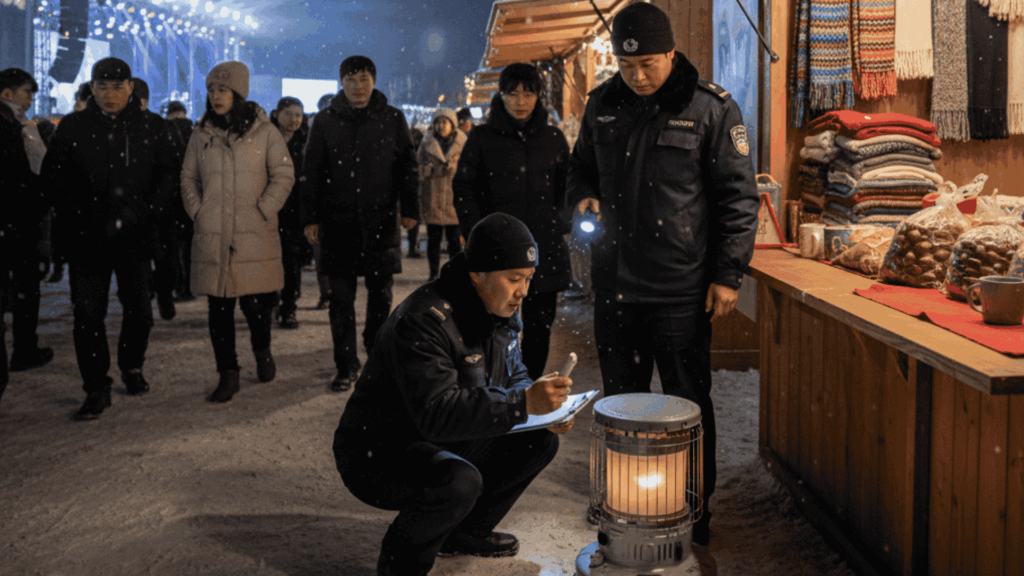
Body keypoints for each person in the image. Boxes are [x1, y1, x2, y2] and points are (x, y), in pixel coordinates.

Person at [565, 3, 759, 545]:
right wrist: (582, 197)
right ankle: (623, 503)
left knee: (687, 404)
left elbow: (738, 199)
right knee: (620, 402)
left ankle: (694, 508)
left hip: (681, 292)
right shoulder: (602, 104)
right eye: (627, 66)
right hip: (615, 287)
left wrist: (728, 274)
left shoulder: (711, 108)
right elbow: (579, 168)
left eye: (647, 64)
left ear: (671, 53)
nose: (637, 76)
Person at [333, 212, 572, 576]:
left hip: (440, 434)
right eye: (514, 279)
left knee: (538, 440)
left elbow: (514, 373)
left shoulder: (500, 307)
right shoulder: (423, 321)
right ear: (477, 273)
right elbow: (437, 414)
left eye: (528, 278)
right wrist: (521, 404)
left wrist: (542, 408)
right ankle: (399, 566)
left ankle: (463, 533)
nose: (523, 291)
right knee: (458, 481)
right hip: (380, 451)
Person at [42, 57, 173, 420]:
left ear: (130, 88)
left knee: (140, 312)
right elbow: (55, 178)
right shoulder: (73, 126)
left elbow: (168, 177)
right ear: (92, 88)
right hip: (88, 239)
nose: (110, 94)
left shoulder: (152, 126)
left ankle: (132, 365)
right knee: (87, 315)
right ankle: (96, 386)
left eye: (117, 87)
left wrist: (143, 212)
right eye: (102, 87)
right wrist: (79, 215)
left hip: (136, 237)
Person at [300, 55, 419, 392]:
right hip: (337, 223)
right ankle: (346, 364)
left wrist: (410, 208)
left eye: (364, 79)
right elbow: (311, 172)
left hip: (380, 221)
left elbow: (407, 167)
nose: (358, 86)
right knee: (340, 299)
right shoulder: (325, 121)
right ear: (341, 83)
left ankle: (375, 351)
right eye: (351, 80)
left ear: (374, 81)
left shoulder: (393, 118)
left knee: (381, 295)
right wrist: (310, 217)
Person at [181, 61, 294, 402]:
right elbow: (188, 178)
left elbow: (283, 175)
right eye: (212, 90)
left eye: (223, 90)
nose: (216, 96)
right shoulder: (201, 133)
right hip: (214, 234)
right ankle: (228, 373)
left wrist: (263, 209)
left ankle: (262, 349)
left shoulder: (265, 132)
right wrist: (199, 211)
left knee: (256, 307)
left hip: (253, 232)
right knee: (219, 311)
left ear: (238, 94)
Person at [453, 63, 572, 381]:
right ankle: (494, 389)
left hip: (543, 247)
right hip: (496, 250)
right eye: (513, 93)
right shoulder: (481, 138)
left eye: (528, 94)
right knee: (491, 323)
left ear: (538, 97)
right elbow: (464, 188)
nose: (521, 101)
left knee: (539, 326)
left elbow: (567, 188)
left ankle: (527, 389)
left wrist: (562, 223)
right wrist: (475, 233)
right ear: (501, 96)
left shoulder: (553, 138)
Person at [1, 68, 53, 400]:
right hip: (18, 221)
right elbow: (37, 169)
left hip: (10, 221)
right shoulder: (15, 126)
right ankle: (24, 348)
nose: (30, 98)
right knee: (25, 287)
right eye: (26, 92)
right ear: (8, 94)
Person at [131, 77, 178, 321]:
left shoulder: (159, 126)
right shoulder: (160, 125)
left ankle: (159, 295)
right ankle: (152, 298)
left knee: (161, 258)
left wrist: (157, 202)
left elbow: (172, 169)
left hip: (157, 208)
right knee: (151, 259)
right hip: (146, 207)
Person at [270, 96, 312, 329]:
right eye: (289, 114)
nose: (294, 119)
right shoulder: (265, 138)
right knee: (268, 261)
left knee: (292, 263)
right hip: (268, 210)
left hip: (295, 212)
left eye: (298, 115)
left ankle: (289, 307)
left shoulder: (307, 141)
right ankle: (269, 303)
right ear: (277, 114)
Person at [418, 109, 466, 281]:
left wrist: (456, 168)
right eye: (438, 122)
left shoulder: (463, 144)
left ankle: (455, 274)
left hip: (454, 200)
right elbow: (418, 167)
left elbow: (471, 169)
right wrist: (429, 169)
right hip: (434, 198)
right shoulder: (426, 144)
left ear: (453, 124)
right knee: (434, 240)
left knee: (454, 242)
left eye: (444, 122)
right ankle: (433, 274)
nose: (441, 126)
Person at [161, 101, 196, 303]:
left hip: (170, 195)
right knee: (190, 244)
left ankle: (175, 284)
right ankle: (189, 286)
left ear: (169, 113)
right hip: (191, 194)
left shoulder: (165, 131)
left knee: (171, 245)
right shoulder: (196, 131)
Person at [407, 126, 425, 259]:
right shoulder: (421, 150)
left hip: (410, 187)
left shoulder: (405, 148)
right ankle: (412, 247)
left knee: (413, 218)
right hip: (415, 187)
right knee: (415, 218)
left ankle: (412, 247)